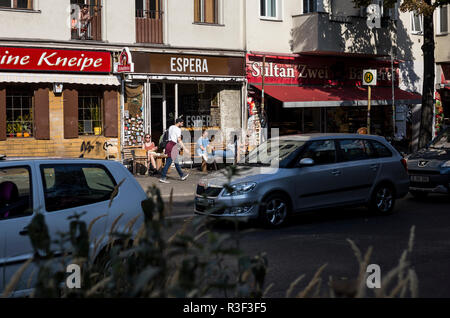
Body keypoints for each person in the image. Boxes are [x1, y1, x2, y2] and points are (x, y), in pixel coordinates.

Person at [159, 118, 190, 183]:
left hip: (168, 144)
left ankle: (182, 175)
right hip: (172, 145)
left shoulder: (171, 127)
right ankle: (163, 177)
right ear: (179, 122)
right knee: (169, 162)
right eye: (182, 123)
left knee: (175, 161)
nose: (182, 124)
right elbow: (179, 140)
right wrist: (185, 148)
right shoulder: (178, 129)